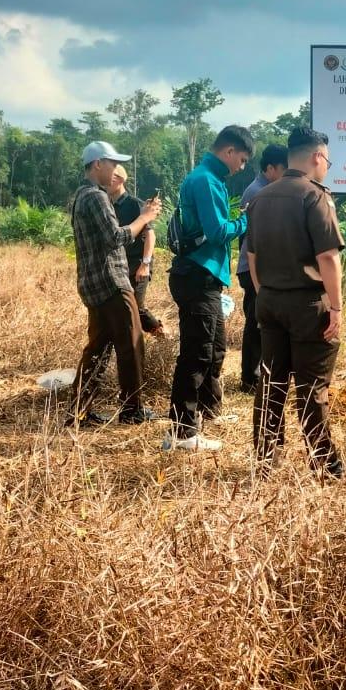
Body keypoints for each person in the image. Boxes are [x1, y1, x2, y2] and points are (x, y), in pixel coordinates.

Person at [246, 127, 345, 478]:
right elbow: (329, 258)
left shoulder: (261, 197)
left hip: (269, 301)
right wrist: (336, 307)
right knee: (311, 387)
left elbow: (252, 257)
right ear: (318, 157)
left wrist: (266, 294)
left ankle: (265, 460)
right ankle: (325, 464)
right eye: (327, 161)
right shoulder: (314, 196)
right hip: (306, 306)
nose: (327, 168)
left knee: (270, 383)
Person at [166, 125, 254, 450]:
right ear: (229, 152)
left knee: (215, 348)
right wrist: (246, 220)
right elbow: (217, 232)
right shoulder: (205, 180)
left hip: (205, 278)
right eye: (242, 160)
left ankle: (207, 411)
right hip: (196, 277)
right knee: (196, 354)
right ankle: (181, 432)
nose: (241, 167)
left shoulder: (209, 178)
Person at [69, 142, 161, 426]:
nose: (115, 172)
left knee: (98, 349)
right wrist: (145, 217)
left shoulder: (81, 197)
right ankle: (132, 410)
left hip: (94, 284)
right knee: (132, 345)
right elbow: (116, 238)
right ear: (98, 164)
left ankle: (79, 412)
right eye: (112, 164)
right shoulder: (96, 198)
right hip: (111, 282)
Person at [235, 144, 289, 393]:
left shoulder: (266, 190)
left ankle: (258, 373)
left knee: (261, 320)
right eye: (283, 169)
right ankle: (250, 377)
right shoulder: (257, 192)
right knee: (256, 321)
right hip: (253, 267)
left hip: (261, 266)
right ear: (270, 169)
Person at [107, 164, 164, 338]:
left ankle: (161, 333)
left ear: (119, 179)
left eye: (110, 177)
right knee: (124, 307)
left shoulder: (134, 204)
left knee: (136, 308)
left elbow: (150, 235)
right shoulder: (108, 204)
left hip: (138, 264)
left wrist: (145, 265)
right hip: (121, 266)